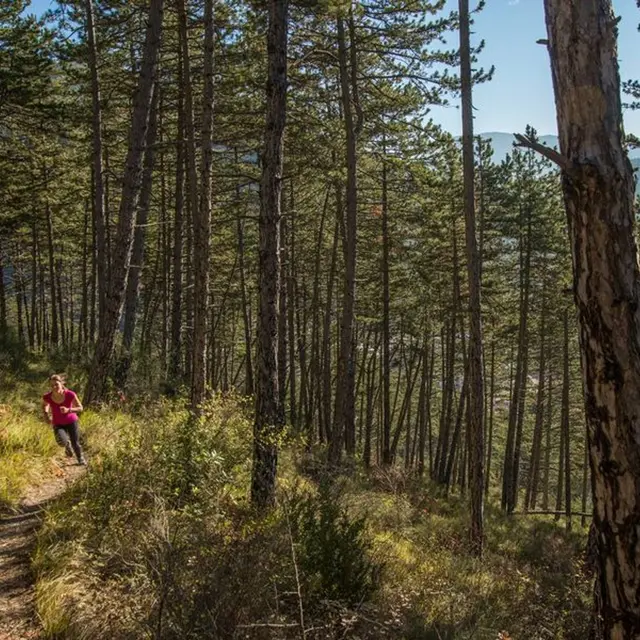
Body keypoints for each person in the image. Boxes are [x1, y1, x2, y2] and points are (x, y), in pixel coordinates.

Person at [42, 374, 86, 466]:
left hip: (71, 421)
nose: (54, 387)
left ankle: (80, 458)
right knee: (61, 441)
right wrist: (46, 415)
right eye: (52, 385)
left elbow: (80, 408)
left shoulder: (70, 394)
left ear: (61, 384)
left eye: (56, 384)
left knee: (75, 443)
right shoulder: (47, 396)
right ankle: (67, 445)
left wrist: (69, 410)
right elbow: (45, 405)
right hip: (58, 423)